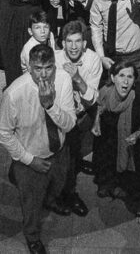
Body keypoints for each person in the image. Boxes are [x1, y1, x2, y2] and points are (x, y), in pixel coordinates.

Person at [0, 43, 78, 254]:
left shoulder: (63, 80)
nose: (43, 75)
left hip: (59, 152)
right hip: (30, 161)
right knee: (31, 204)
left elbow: (69, 124)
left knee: (57, 185)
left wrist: (50, 106)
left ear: (54, 65)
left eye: (48, 67)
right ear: (29, 67)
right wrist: (29, 160)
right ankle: (32, 236)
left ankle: (51, 202)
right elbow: (3, 133)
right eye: (38, 68)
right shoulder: (14, 93)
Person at [91, 60, 140, 221]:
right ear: (112, 77)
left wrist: (137, 134)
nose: (125, 81)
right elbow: (100, 107)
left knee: (136, 179)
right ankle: (114, 187)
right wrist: (96, 121)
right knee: (109, 167)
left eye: (130, 77)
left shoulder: (137, 101)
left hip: (133, 147)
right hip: (109, 142)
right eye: (121, 75)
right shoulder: (104, 92)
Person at [54, 20, 102, 217]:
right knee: (63, 160)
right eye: (69, 41)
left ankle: (77, 161)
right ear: (63, 43)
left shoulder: (92, 60)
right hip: (61, 118)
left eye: (78, 41)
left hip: (81, 115)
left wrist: (77, 78)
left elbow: (91, 99)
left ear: (84, 43)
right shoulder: (55, 59)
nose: (73, 46)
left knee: (76, 147)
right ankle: (68, 193)